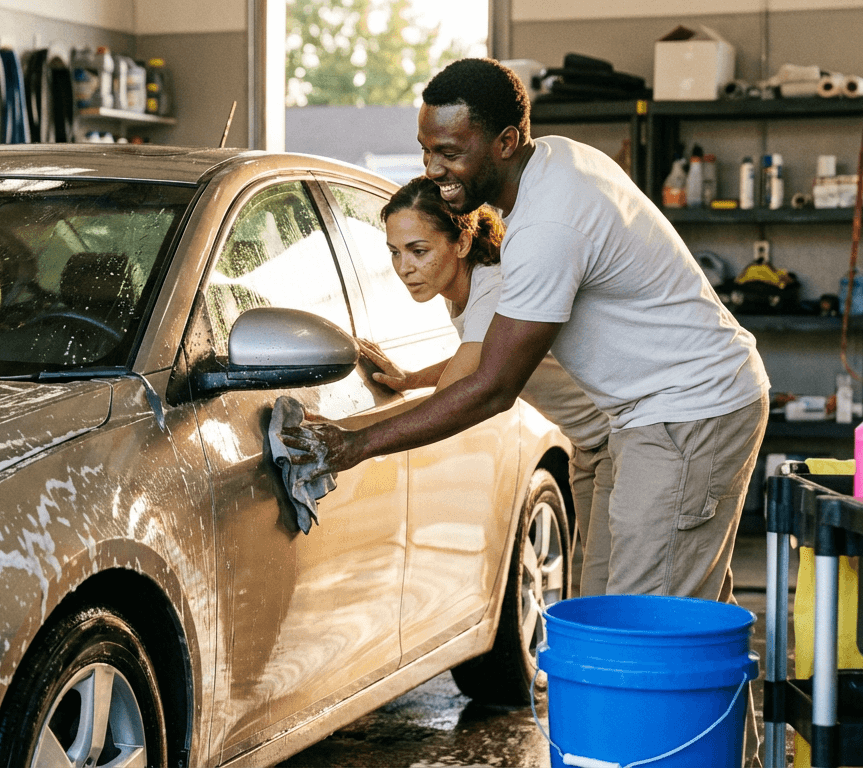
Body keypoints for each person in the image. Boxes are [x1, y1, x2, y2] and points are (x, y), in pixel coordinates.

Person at [280, 56, 769, 606]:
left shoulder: (546, 225)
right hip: (639, 418)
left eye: (450, 153)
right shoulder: (553, 163)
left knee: (644, 623)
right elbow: (494, 349)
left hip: (689, 410)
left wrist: (353, 443)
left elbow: (492, 386)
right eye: (426, 150)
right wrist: (412, 380)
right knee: (608, 607)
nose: (433, 169)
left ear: (507, 142)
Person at [359, 175, 613, 596]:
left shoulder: (493, 287)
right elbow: (485, 351)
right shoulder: (459, 287)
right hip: (591, 445)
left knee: (619, 593)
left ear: (461, 243)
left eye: (419, 251)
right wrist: (412, 379)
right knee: (607, 587)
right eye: (395, 252)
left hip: (624, 439)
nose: (404, 267)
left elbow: (452, 399)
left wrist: (350, 441)